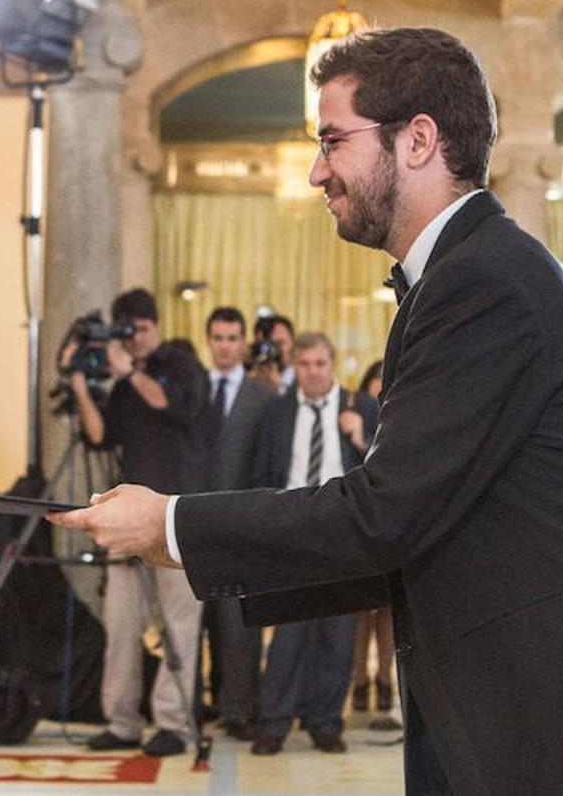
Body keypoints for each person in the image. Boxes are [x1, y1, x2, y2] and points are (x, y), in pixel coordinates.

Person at [52, 28, 563, 795]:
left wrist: (173, 525)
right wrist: (191, 545)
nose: (316, 172)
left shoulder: (483, 283)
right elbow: (420, 536)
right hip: (558, 730)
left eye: (332, 141)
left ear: (417, 140)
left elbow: (387, 515)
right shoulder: (461, 275)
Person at [62, 287, 207, 759]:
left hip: (174, 514)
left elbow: (173, 406)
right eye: (128, 331)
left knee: (179, 624)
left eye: (140, 330)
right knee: (121, 622)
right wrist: (80, 383)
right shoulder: (124, 383)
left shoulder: (181, 364)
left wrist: (129, 369)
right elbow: (100, 436)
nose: (135, 339)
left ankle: (173, 722)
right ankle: (121, 720)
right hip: (128, 515)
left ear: (155, 326)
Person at [247, 332, 377, 757]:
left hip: (342, 530)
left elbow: (388, 471)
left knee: (338, 636)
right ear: (295, 367)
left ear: (333, 363)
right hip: (290, 529)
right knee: (288, 634)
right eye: (305, 365)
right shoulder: (277, 412)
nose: (314, 372)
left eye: (321, 363)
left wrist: (360, 438)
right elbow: (263, 471)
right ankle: (274, 723)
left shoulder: (363, 408)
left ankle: (325, 721)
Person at [199, 306, 276, 740]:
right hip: (189, 515)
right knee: (199, 621)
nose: (225, 346)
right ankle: (205, 701)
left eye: (233, 338)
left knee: (238, 623)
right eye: (218, 337)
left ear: (243, 343)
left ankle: (241, 708)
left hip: (239, 521)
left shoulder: (262, 396)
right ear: (208, 340)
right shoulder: (193, 390)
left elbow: (266, 460)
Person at [347, 358, 398, 725]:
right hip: (359, 525)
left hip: (393, 525)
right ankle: (359, 680)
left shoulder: (403, 416)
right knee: (360, 614)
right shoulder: (354, 413)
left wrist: (361, 439)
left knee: (387, 613)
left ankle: (384, 681)